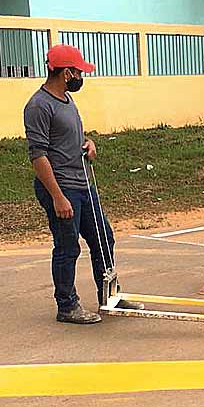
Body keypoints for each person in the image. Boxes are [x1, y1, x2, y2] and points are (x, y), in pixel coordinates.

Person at [24, 44, 141, 324]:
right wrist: (57, 197)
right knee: (67, 247)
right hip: (62, 188)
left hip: (83, 183)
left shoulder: (66, 99)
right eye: (78, 71)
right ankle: (67, 306)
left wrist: (88, 144)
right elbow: (38, 155)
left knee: (103, 238)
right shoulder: (39, 106)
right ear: (66, 73)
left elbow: (68, 138)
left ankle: (110, 295)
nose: (80, 76)